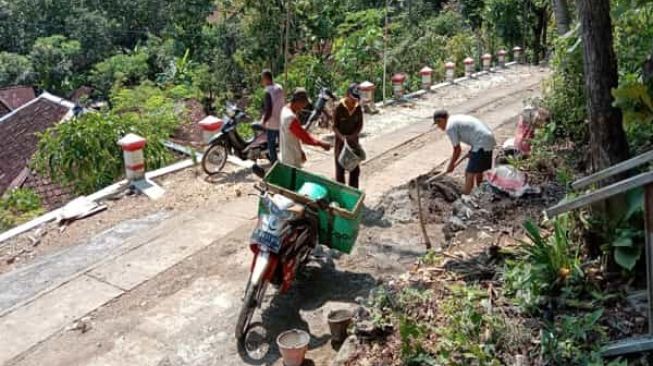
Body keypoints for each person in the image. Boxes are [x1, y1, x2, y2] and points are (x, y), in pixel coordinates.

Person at [433, 110, 496, 194]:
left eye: (439, 123)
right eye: (437, 124)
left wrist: (451, 165)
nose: (439, 126)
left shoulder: (450, 127)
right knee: (478, 170)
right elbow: (473, 131)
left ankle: (466, 195)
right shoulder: (455, 119)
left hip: (481, 142)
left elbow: (457, 150)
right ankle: (480, 192)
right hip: (488, 139)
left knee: (469, 173)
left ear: (443, 119)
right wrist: (472, 150)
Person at [280, 88, 331, 168]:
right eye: (304, 104)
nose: (304, 107)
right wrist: (322, 144)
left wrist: (300, 151)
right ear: (298, 102)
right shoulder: (290, 117)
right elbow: (305, 138)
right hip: (291, 159)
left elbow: (295, 136)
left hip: (288, 153)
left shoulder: (285, 109)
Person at [333, 83, 364, 188]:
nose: (354, 102)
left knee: (355, 170)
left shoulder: (358, 108)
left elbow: (360, 125)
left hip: (353, 143)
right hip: (340, 143)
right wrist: (342, 138)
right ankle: (341, 194)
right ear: (347, 95)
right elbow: (334, 126)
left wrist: (353, 136)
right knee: (340, 170)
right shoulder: (339, 107)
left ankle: (353, 192)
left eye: (356, 99)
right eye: (352, 99)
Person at [260, 69, 285, 163]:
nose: (262, 81)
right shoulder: (279, 87)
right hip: (281, 121)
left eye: (262, 79)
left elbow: (268, 109)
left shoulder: (268, 91)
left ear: (266, 79)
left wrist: (264, 121)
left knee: (271, 145)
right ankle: (285, 161)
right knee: (282, 144)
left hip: (272, 123)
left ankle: (275, 164)